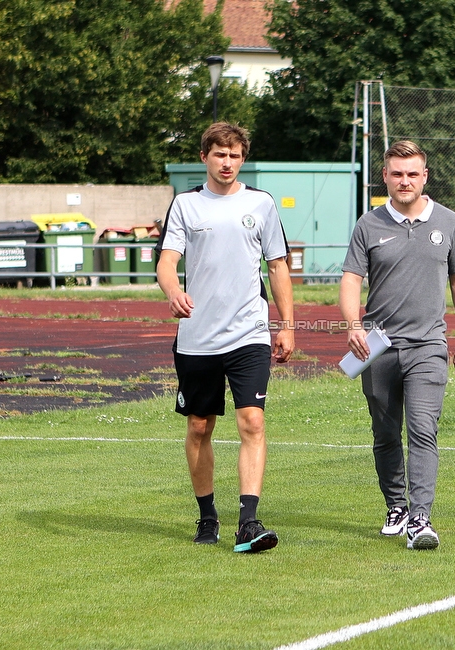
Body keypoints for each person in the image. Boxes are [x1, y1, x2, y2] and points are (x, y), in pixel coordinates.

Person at [157, 122, 294, 553]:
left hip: (249, 331)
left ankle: (248, 521)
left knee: (252, 419)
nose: (228, 162)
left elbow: (277, 267)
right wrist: (174, 291)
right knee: (200, 427)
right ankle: (207, 516)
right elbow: (166, 262)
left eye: (235, 155)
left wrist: (287, 324)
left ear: (243, 158)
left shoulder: (262, 204)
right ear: (205, 157)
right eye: (220, 154)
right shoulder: (185, 205)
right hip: (197, 337)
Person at [339, 140, 455, 550]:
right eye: (397, 173)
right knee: (385, 433)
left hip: (428, 346)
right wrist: (351, 325)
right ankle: (395, 506)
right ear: (385, 176)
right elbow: (350, 279)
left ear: (425, 177)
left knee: (422, 429)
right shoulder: (368, 225)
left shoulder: (448, 222)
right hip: (377, 349)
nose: (404, 180)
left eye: (412, 173)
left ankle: (420, 517)